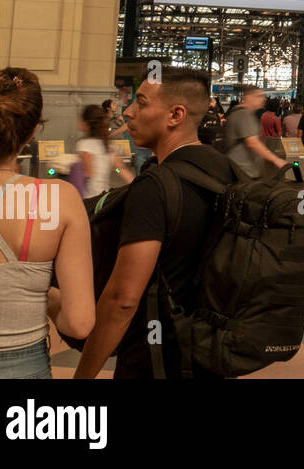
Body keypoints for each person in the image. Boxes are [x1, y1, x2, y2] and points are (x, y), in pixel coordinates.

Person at [75, 68, 235, 379]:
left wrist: (83, 376)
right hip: (211, 354)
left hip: (156, 358)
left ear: (176, 115)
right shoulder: (227, 169)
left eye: (142, 103)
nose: (129, 112)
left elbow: (123, 299)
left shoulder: (154, 186)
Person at [0, 68, 93, 378]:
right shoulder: (59, 199)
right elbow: (79, 323)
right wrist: (45, 293)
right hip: (19, 368)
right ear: (31, 133)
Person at [224, 85, 286, 178]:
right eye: (259, 96)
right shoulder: (244, 114)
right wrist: (276, 160)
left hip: (240, 170)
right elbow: (252, 143)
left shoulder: (237, 112)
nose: (263, 99)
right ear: (248, 97)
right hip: (243, 172)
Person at [76, 104, 133, 198]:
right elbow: (119, 169)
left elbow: (88, 174)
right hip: (103, 196)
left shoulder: (84, 145)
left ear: (86, 123)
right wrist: (134, 183)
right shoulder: (107, 145)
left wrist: (70, 169)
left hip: (88, 197)